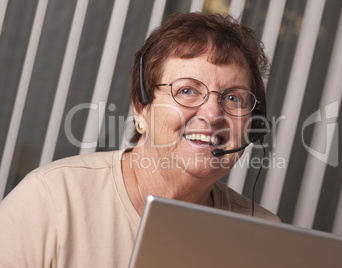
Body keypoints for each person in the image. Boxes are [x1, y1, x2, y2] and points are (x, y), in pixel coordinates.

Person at [0, 12, 279, 267]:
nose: (212, 114)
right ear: (141, 107)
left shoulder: (266, 236)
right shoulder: (52, 199)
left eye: (233, 98)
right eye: (187, 91)